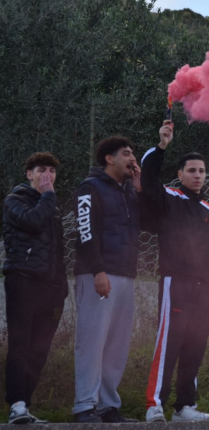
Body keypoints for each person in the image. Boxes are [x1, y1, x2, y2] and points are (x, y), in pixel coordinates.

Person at [142, 121, 209, 423]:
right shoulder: (169, 197)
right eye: (192, 170)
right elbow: (148, 177)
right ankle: (154, 404)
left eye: (201, 171)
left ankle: (185, 407)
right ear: (180, 174)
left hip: (204, 289)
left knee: (195, 346)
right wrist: (161, 145)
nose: (197, 175)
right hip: (176, 282)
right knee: (170, 343)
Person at [73, 137, 143, 423]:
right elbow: (85, 230)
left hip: (127, 274)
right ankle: (84, 407)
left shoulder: (129, 191)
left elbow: (149, 223)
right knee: (92, 341)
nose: (132, 158)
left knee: (117, 344)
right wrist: (97, 270)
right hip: (98, 274)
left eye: (133, 153)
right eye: (126, 153)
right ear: (109, 159)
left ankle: (107, 406)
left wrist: (139, 188)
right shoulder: (90, 187)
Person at [3, 152, 69, 424]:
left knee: (40, 349)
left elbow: (58, 250)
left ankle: (26, 406)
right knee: (21, 345)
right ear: (29, 174)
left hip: (51, 288)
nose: (48, 176)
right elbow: (32, 221)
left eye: (52, 171)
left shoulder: (50, 205)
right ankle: (16, 405)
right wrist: (49, 195)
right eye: (42, 170)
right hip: (23, 281)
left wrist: (62, 287)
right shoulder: (14, 200)